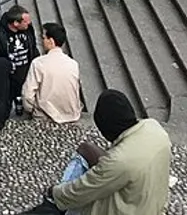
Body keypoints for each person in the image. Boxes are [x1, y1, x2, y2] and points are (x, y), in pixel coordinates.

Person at [22, 90, 172, 215]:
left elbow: (82, 190)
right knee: (86, 149)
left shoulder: (119, 161)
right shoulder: (154, 128)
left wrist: (54, 193)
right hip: (148, 204)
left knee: (48, 210)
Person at [22, 23, 81, 124]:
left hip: (45, 114)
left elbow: (27, 95)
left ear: (51, 41)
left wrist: (32, 109)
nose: (42, 41)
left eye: (44, 38)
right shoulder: (73, 64)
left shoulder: (38, 63)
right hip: (71, 115)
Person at [0, 5, 40, 116]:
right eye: (26, 22)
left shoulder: (28, 29)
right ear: (16, 23)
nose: (29, 23)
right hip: (9, 77)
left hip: (25, 73)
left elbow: (32, 46)